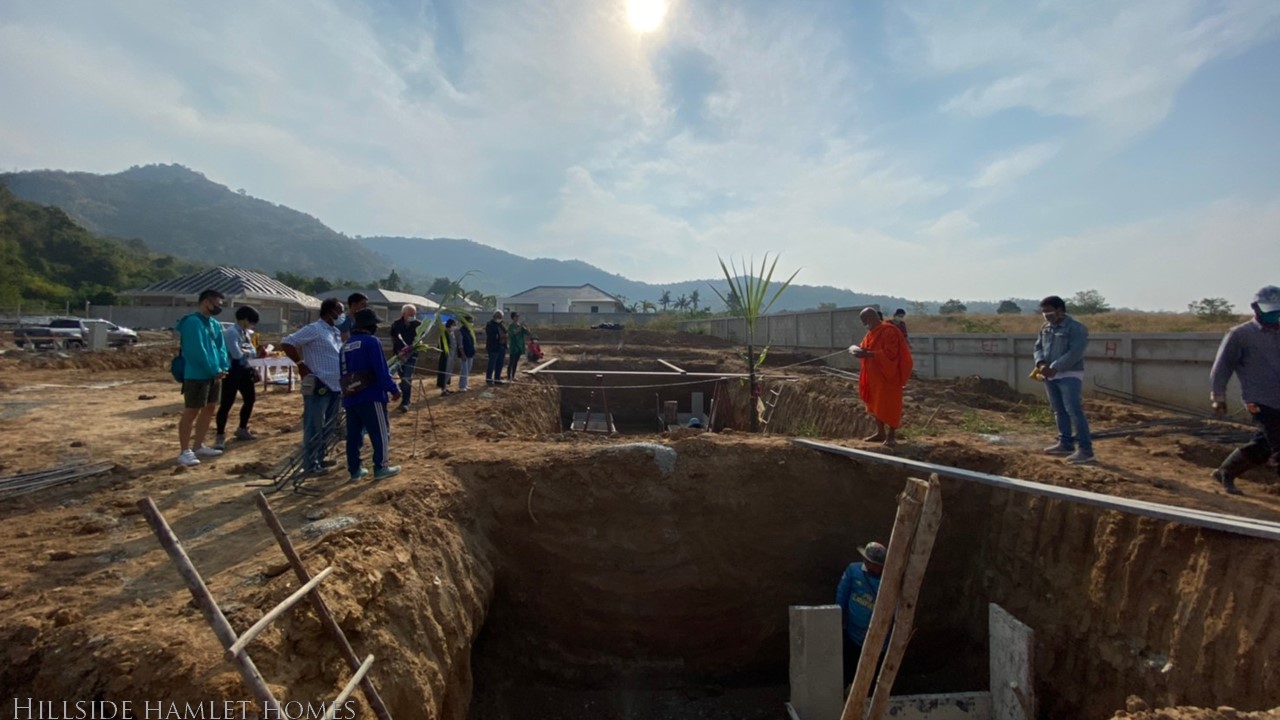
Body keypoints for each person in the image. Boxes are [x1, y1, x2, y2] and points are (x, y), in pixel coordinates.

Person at [1208, 285, 1280, 496]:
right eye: (1270, 309)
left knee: (1264, 445)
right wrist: (1218, 396)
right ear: (1255, 308)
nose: (1274, 314)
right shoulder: (1240, 335)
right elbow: (1222, 366)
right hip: (1259, 400)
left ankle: (1225, 472)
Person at [281, 298, 345, 475]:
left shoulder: (335, 332)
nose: (341, 314)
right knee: (314, 424)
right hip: (319, 383)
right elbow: (287, 342)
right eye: (339, 310)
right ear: (330, 311)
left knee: (329, 426)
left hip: (335, 386)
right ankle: (310, 464)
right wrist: (301, 364)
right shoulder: (314, 329)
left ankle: (320, 457)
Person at [340, 308, 401, 482]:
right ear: (370, 326)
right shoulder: (371, 342)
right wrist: (394, 389)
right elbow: (381, 371)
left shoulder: (345, 346)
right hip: (371, 396)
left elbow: (343, 374)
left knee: (354, 435)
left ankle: (355, 470)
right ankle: (381, 467)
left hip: (350, 397)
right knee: (380, 432)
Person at [1034, 295, 1095, 465]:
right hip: (1049, 374)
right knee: (1058, 410)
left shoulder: (1076, 328)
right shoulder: (1046, 328)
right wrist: (1040, 363)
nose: (1046, 315)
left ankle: (1085, 450)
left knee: (1074, 411)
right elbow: (1038, 347)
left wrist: (1055, 367)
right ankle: (1065, 443)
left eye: (1048, 311)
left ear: (1060, 310)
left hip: (1069, 374)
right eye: (1044, 312)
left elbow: (1075, 352)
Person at [174, 289, 231, 467]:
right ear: (206, 302)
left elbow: (221, 347)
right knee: (191, 410)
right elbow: (197, 350)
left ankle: (198, 445)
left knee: (209, 408)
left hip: (214, 374)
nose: (219, 308)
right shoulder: (192, 322)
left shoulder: (214, 324)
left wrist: (223, 366)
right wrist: (213, 368)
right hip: (197, 374)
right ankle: (184, 451)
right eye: (217, 304)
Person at [850, 307, 913, 447]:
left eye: (864, 321)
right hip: (874, 376)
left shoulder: (889, 331)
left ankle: (891, 435)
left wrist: (869, 355)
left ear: (871, 318)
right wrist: (860, 351)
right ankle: (880, 432)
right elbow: (866, 348)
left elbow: (891, 353)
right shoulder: (871, 333)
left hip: (889, 375)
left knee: (890, 404)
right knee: (874, 403)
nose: (864, 324)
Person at [836, 541, 887, 686]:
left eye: (873, 563)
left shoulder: (890, 579)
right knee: (850, 663)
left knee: (873, 668)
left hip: (879, 636)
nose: (868, 564)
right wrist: (839, 619)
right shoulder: (854, 571)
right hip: (853, 632)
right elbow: (842, 594)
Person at [214, 306, 261, 449]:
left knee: (250, 399)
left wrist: (246, 352)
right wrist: (246, 352)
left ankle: (242, 428)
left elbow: (252, 352)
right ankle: (220, 435)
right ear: (245, 319)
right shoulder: (231, 333)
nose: (252, 325)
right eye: (252, 322)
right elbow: (236, 354)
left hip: (245, 370)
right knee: (227, 403)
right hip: (232, 371)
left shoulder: (245, 333)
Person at [389, 304, 420, 413]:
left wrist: (410, 352)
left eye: (414, 314)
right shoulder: (396, 325)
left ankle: (405, 402)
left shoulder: (418, 325)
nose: (412, 316)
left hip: (411, 357)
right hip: (398, 356)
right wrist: (400, 353)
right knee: (403, 378)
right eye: (410, 314)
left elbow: (419, 341)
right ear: (403, 314)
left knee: (407, 377)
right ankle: (403, 394)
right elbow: (394, 339)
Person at [485, 310, 508, 386]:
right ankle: (489, 380)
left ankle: (497, 379)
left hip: (502, 346)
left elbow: (505, 332)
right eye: (499, 317)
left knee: (500, 363)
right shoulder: (490, 325)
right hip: (493, 347)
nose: (500, 318)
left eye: (501, 317)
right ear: (495, 316)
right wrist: (500, 337)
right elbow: (492, 336)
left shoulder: (501, 325)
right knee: (492, 364)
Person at [437, 318, 457, 396]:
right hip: (446, 356)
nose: (454, 327)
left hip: (451, 356)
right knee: (444, 372)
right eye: (454, 325)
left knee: (448, 372)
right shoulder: (444, 334)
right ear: (450, 325)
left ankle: (445, 388)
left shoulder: (451, 333)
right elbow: (440, 345)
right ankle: (443, 390)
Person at [507, 311, 529, 381]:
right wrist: (520, 327)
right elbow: (514, 333)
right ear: (513, 318)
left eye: (518, 316)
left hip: (519, 347)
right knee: (511, 362)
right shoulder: (511, 326)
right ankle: (509, 377)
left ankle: (513, 376)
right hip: (514, 347)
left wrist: (526, 326)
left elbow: (528, 333)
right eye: (516, 317)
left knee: (515, 362)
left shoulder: (520, 326)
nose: (517, 318)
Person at [456, 315, 476, 392]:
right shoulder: (461, 331)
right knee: (464, 370)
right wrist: (463, 354)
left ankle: (465, 384)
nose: (471, 323)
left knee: (468, 370)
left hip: (470, 353)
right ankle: (462, 386)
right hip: (464, 354)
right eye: (470, 321)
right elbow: (460, 345)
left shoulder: (469, 331)